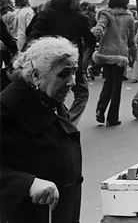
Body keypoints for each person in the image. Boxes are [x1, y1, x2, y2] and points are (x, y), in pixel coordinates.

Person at [0, 36, 82, 223]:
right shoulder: (6, 110)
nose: (72, 82)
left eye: (74, 72)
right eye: (63, 74)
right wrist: (25, 184)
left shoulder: (49, 102)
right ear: (36, 75)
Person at [26, 0, 96, 126]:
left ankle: (48, 119)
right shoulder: (81, 18)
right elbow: (90, 40)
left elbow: (32, 35)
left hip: (47, 60)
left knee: (46, 91)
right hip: (72, 61)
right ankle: (68, 121)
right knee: (81, 93)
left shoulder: (45, 14)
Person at [91, 0, 136, 126]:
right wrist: (133, 52)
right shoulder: (129, 17)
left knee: (108, 82)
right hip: (121, 53)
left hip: (106, 52)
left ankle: (100, 108)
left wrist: (97, 32)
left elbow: (100, 26)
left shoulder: (105, 14)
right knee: (117, 86)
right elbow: (131, 38)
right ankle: (112, 117)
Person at [0, 0, 16, 68]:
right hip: (6, 46)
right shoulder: (11, 15)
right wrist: (14, 48)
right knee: (9, 69)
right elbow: (12, 31)